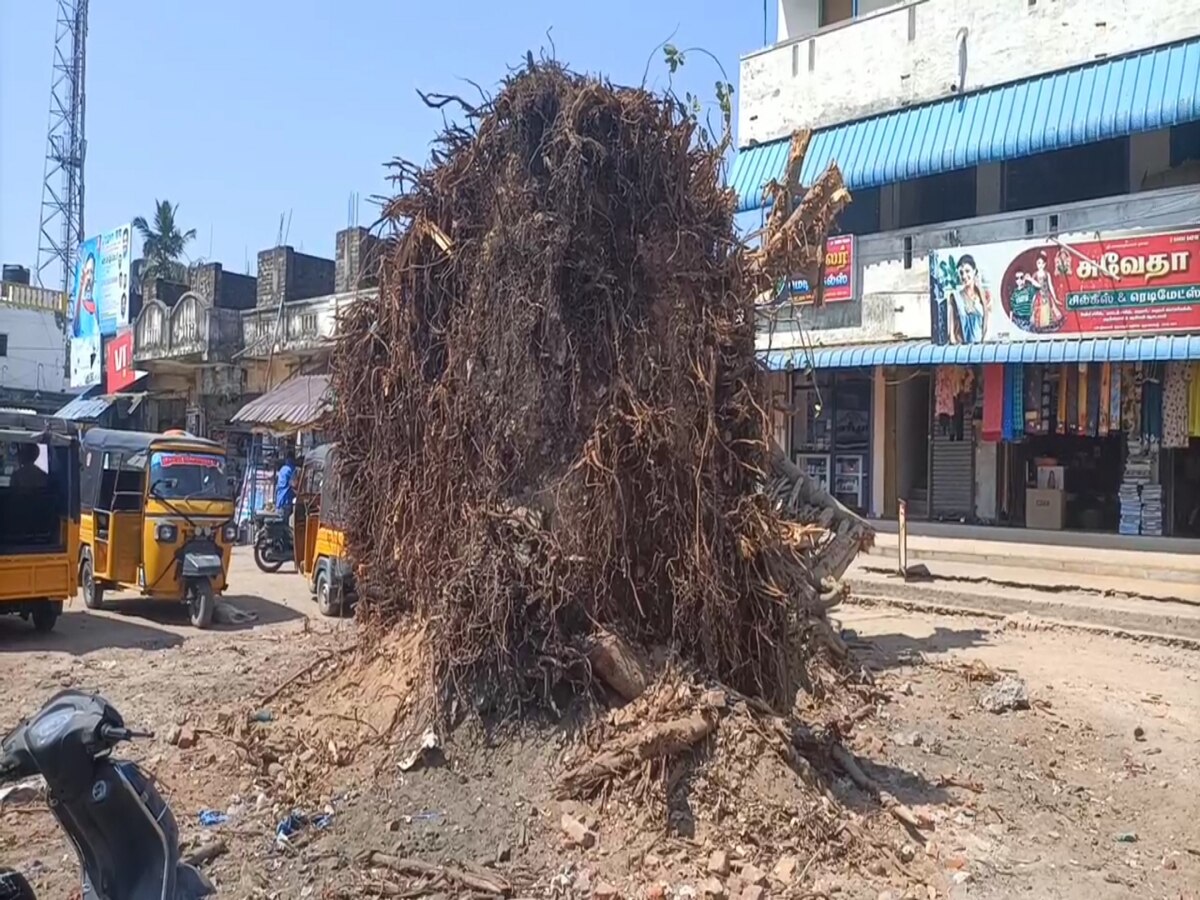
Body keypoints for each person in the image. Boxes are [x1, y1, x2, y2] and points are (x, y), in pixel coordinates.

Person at [954, 254, 991, 344]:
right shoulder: (956, 297)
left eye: (967, 271)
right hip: (963, 350)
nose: (964, 276)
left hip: (982, 349)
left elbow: (988, 326)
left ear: (974, 271)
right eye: (961, 273)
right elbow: (952, 333)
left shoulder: (985, 295)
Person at [275, 453, 296, 521]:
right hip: (286, 500)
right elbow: (294, 483)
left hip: (280, 501)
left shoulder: (282, 469)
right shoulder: (292, 469)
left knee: (280, 525)